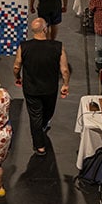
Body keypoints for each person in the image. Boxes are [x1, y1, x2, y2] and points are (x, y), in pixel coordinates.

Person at [14, 18, 70, 156]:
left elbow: (16, 66)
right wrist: (65, 84)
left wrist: (18, 78)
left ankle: (39, 146)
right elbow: (65, 70)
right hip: (50, 89)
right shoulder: (58, 46)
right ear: (45, 29)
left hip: (31, 89)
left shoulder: (24, 46)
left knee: (35, 116)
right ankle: (43, 125)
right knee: (48, 111)